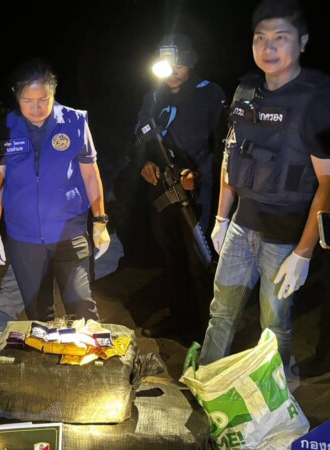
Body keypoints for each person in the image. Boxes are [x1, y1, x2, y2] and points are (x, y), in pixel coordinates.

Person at [199, 0, 330, 372]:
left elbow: (327, 183)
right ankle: (206, 379)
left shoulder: (316, 99)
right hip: (241, 226)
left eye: (280, 38)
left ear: (302, 42)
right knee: (220, 312)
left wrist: (303, 253)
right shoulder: (246, 91)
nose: (268, 48)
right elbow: (232, 157)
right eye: (260, 38)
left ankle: (276, 390)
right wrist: (221, 218)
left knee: (274, 324)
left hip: (285, 235)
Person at [0, 58, 109, 322]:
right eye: (27, 101)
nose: (36, 108)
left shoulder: (75, 121)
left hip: (70, 233)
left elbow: (90, 175)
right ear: (15, 95)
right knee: (39, 318)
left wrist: (100, 222)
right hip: (24, 239)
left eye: (43, 99)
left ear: (53, 92)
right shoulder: (5, 127)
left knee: (83, 312)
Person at [134, 34, 226, 339]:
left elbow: (223, 146)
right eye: (167, 66)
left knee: (200, 261)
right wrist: (146, 162)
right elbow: (140, 137)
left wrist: (199, 175)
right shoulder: (154, 96)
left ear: (191, 63)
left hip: (198, 193)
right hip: (162, 189)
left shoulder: (210, 94)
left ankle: (207, 331)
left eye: (180, 65)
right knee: (171, 258)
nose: (173, 72)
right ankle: (179, 319)